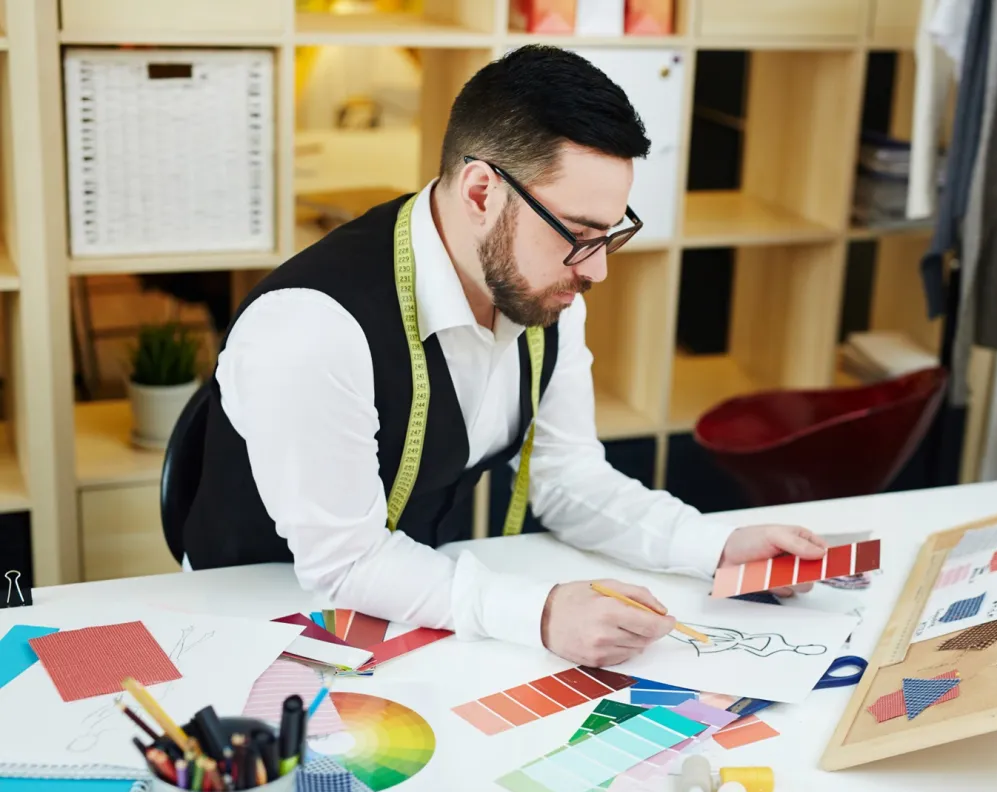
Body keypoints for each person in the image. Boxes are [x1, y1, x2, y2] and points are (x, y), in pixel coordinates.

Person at [181, 45, 827, 668]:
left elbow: (567, 477)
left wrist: (718, 546)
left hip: (412, 611)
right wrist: (541, 614)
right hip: (250, 628)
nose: (597, 270)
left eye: (609, 235)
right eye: (578, 234)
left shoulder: (544, 288)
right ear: (481, 193)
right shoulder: (311, 327)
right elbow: (345, 562)